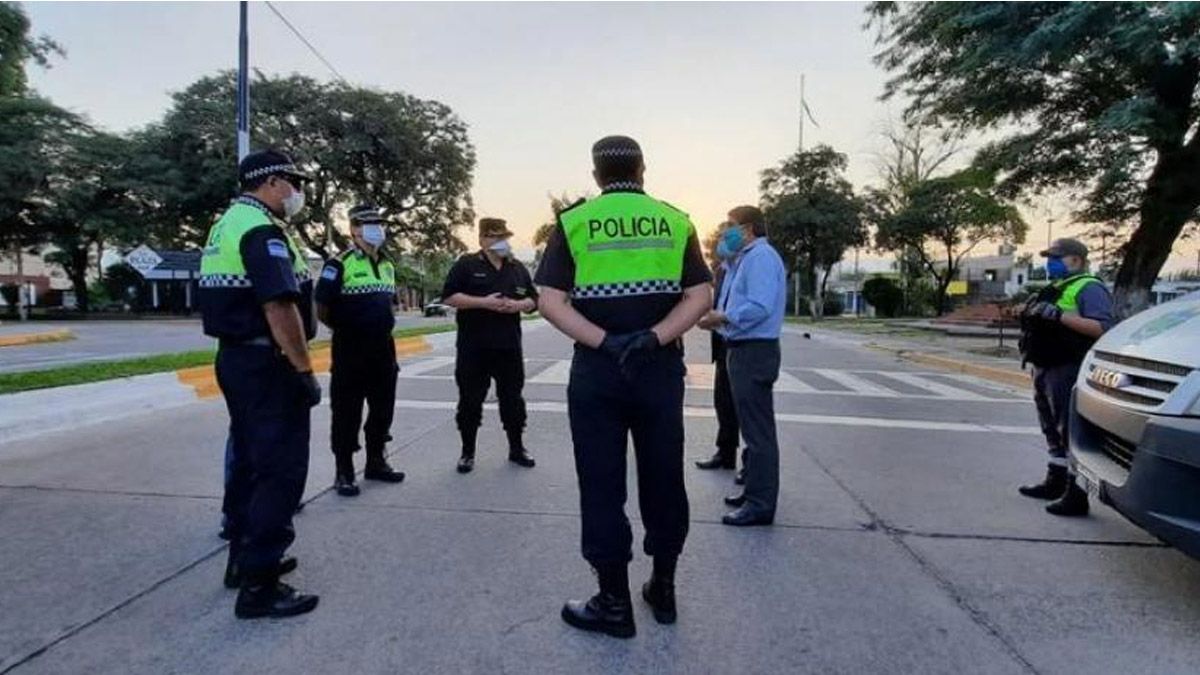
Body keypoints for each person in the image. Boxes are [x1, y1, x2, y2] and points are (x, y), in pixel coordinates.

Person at [536, 135, 712, 638]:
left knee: (601, 483)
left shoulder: (573, 222)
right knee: (663, 475)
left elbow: (550, 300)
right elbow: (700, 294)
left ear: (594, 176)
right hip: (657, 369)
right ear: (643, 171)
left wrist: (605, 342)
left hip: (598, 371)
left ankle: (613, 602)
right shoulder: (675, 220)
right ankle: (663, 588)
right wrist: (653, 337)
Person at [199, 149, 321, 619]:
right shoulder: (261, 230)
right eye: (292, 181)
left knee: (250, 464)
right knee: (279, 472)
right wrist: (303, 369)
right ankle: (261, 585)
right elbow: (280, 308)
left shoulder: (225, 224)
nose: (296, 192)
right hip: (267, 365)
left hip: (236, 359)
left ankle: (242, 561)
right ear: (270, 182)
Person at [699, 206, 787, 527]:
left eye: (731, 227)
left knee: (758, 432)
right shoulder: (743, 259)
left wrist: (722, 318)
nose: (726, 232)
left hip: (755, 351)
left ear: (748, 229)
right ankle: (753, 490)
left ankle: (760, 504)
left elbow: (759, 305)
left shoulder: (762, 258)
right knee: (750, 427)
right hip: (740, 348)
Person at [1018, 237, 1114, 516]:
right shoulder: (1056, 287)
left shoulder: (1090, 288)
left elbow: (1102, 327)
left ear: (1076, 260)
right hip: (1045, 365)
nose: (1051, 263)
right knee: (1051, 427)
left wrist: (1059, 316)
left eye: (1056, 258)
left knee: (1069, 429)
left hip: (1068, 366)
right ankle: (1055, 479)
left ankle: (1076, 493)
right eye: (1049, 258)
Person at [315, 204, 406, 497]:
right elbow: (323, 309)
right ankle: (344, 471)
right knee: (346, 412)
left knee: (382, 409)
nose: (377, 229)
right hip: (350, 350)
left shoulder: (388, 263)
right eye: (369, 224)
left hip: (383, 349)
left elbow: (387, 303)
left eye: (380, 223)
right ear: (353, 229)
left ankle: (376, 461)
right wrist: (348, 327)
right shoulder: (339, 263)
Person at [441, 217, 538, 473]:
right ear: (482, 239)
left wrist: (517, 305)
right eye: (495, 236)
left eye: (505, 236)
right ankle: (467, 452)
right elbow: (450, 297)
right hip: (474, 348)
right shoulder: (467, 265)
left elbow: (533, 300)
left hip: (508, 347)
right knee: (470, 401)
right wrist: (484, 302)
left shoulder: (517, 267)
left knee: (513, 400)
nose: (501, 242)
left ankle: (517, 448)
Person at [694, 221, 742, 482]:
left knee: (743, 406)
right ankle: (725, 452)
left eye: (727, 236)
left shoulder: (746, 265)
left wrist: (718, 318)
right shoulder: (722, 269)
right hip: (723, 343)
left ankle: (750, 465)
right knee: (723, 402)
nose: (722, 242)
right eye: (720, 238)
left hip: (740, 342)